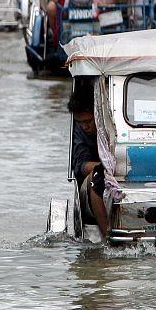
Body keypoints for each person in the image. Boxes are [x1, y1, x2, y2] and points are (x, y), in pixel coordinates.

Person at [67, 85, 110, 237]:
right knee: (96, 177)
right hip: (92, 183)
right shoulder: (80, 131)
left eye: (88, 121)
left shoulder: (113, 124)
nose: (84, 126)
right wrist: (105, 168)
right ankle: (108, 238)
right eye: (80, 122)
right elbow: (80, 165)